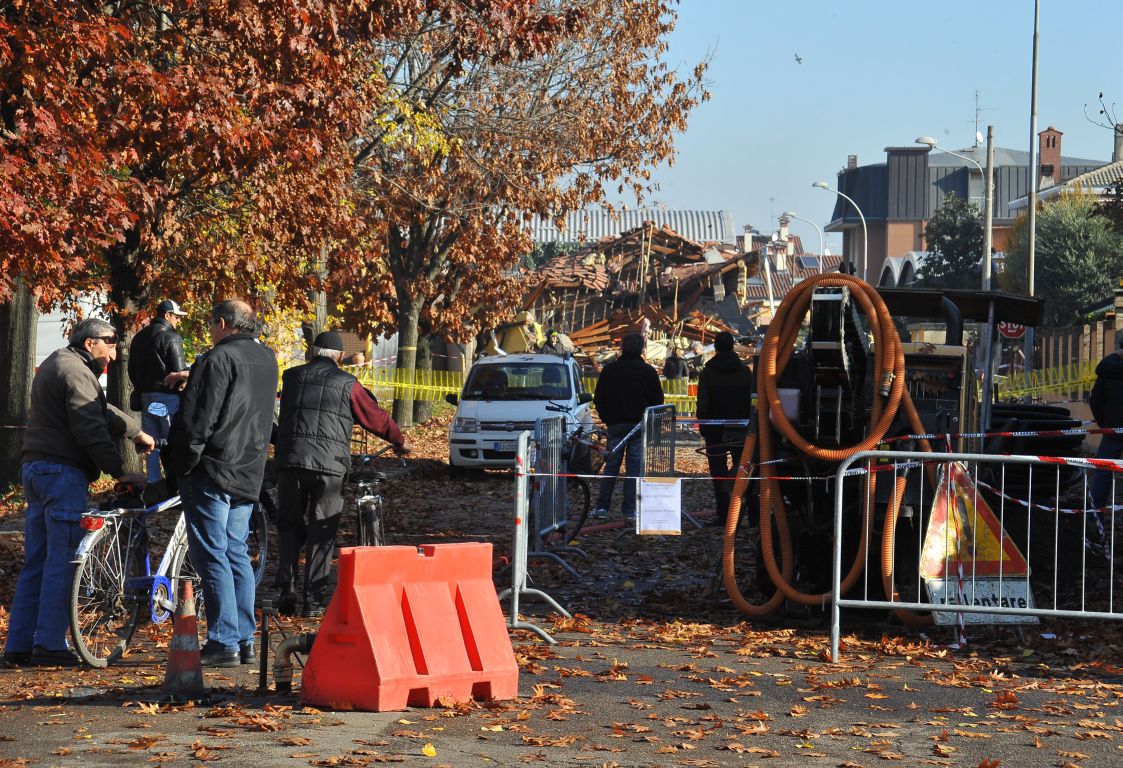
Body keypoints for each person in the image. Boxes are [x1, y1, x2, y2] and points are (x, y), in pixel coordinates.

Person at [2, 319, 153, 668]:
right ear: (90, 343)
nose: (113, 355)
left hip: (37, 469)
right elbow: (90, 426)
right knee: (63, 559)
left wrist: (135, 431)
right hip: (61, 473)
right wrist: (120, 470)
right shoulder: (76, 372)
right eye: (110, 345)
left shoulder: (61, 363)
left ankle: (20, 644)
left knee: (37, 561)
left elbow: (98, 408)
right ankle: (50, 644)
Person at [164, 300, 278, 668]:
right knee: (235, 553)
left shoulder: (216, 360)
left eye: (212, 324)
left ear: (224, 323)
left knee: (211, 554)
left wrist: (180, 464)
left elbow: (199, 420)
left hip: (212, 469)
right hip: (248, 468)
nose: (210, 330)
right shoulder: (267, 360)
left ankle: (224, 640)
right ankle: (243, 640)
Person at [274, 331, 411, 618]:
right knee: (322, 530)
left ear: (312, 351)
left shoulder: (291, 377)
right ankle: (313, 600)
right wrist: (399, 440)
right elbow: (375, 418)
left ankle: (285, 589)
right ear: (338, 357)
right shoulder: (348, 383)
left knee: (288, 526)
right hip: (329, 466)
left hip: (291, 461)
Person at [590, 333, 664, 521]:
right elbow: (658, 400)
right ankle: (630, 510)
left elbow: (598, 398)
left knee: (611, 467)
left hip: (615, 424)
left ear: (622, 348)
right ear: (641, 350)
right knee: (634, 469)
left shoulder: (610, 370)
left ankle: (602, 507)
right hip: (639, 425)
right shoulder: (648, 371)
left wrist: (607, 417)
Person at [127, 299, 190, 485]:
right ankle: (176, 485)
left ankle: (154, 485)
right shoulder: (172, 337)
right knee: (173, 442)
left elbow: (131, 370)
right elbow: (179, 372)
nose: (179, 321)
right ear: (167, 315)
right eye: (177, 317)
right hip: (168, 398)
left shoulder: (138, 337)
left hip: (146, 398)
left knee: (151, 444)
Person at [696, 331, 754, 525]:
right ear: (732, 346)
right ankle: (748, 512)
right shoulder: (745, 372)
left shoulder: (708, 372)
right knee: (743, 469)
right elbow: (751, 401)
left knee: (718, 471)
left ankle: (724, 514)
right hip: (740, 427)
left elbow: (703, 401)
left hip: (715, 429)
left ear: (716, 347)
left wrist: (703, 424)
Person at [1089, 331, 1123, 508]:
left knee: (1103, 474)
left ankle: (1095, 520)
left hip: (1112, 432)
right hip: (1112, 430)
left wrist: (1104, 423)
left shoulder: (1106, 370)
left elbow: (1095, 399)